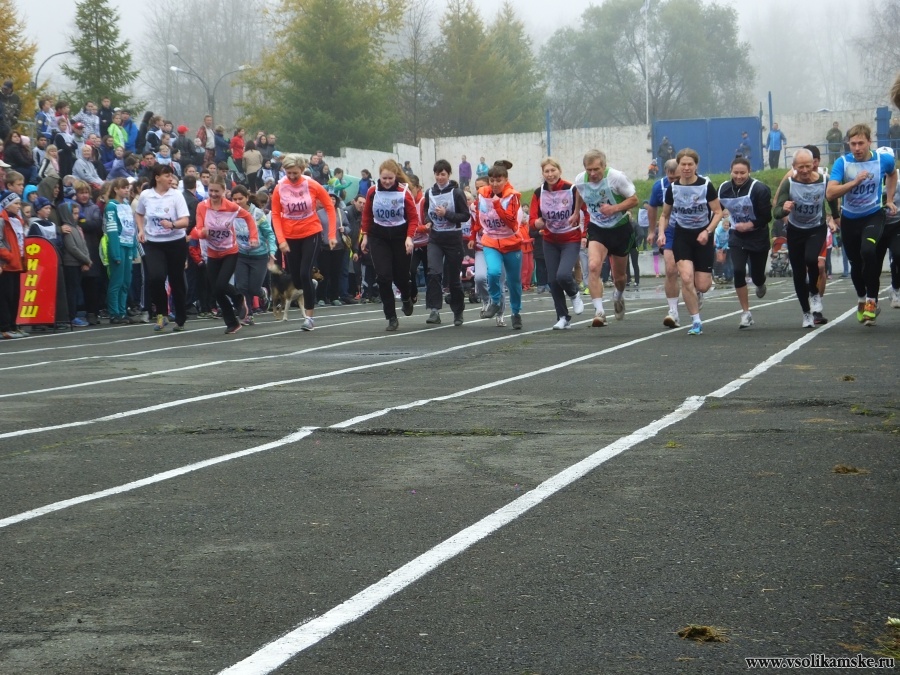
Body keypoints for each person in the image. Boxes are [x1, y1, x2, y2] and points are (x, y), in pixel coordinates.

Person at [826, 123, 897, 326]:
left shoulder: (883, 160)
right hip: (850, 219)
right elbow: (830, 193)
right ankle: (862, 298)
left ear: (869, 142)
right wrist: (854, 182)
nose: (856, 148)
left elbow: (893, 174)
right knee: (856, 264)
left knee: (868, 250)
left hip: (873, 215)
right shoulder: (842, 163)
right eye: (853, 144)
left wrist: (889, 199)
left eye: (861, 143)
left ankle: (872, 302)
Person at [659, 148, 724, 335]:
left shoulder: (705, 186)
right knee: (686, 278)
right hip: (682, 236)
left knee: (702, 284)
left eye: (690, 164)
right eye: (683, 164)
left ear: (696, 166)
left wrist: (708, 231)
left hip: (703, 236)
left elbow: (718, 212)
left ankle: (699, 292)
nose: (686, 168)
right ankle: (696, 321)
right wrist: (661, 233)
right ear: (678, 166)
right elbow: (664, 215)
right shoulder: (673, 188)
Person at [774, 148, 841, 328]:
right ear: (794, 167)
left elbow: (832, 200)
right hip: (795, 230)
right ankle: (806, 313)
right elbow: (776, 211)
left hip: (816, 228)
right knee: (798, 273)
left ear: (814, 164)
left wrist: (836, 217)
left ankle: (814, 293)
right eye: (800, 167)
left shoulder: (824, 180)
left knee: (812, 259)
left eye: (808, 166)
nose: (804, 170)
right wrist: (784, 209)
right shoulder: (789, 183)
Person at [270, 153, 337, 331]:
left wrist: (331, 235)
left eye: (295, 173)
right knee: (297, 279)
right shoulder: (279, 188)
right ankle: (309, 285)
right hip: (290, 236)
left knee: (305, 272)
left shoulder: (312, 185)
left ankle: (309, 318)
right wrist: (281, 240)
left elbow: (329, 207)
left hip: (311, 233)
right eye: (288, 173)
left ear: (302, 170)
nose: (292, 177)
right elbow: (275, 214)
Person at [572, 149, 638, 328]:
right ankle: (599, 312)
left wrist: (614, 208)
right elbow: (579, 192)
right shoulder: (580, 179)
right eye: (589, 170)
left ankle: (618, 295)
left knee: (619, 277)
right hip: (598, 228)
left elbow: (634, 200)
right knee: (593, 266)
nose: (593, 174)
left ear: (604, 166)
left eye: (596, 169)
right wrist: (576, 212)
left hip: (620, 229)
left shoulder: (616, 178)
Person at [193, 176, 259, 334]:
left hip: (230, 251)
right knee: (216, 290)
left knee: (221, 285)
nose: (213, 194)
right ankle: (232, 323)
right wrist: (202, 233)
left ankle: (238, 298)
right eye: (211, 191)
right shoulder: (202, 206)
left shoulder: (231, 207)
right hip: (212, 252)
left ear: (224, 191)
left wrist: (253, 237)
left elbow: (249, 218)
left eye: (217, 191)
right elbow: (199, 228)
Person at [361, 158, 419, 331]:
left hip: (400, 237)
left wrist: (409, 238)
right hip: (379, 237)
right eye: (384, 178)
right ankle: (391, 316)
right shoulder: (372, 191)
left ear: (395, 177)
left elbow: (413, 218)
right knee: (383, 277)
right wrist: (365, 236)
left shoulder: (403, 192)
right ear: (379, 176)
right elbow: (367, 215)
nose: (386, 182)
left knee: (401, 277)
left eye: (390, 178)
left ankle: (407, 297)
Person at [529, 157, 586, 330]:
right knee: (553, 281)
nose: (550, 174)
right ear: (543, 174)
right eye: (546, 171)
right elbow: (532, 220)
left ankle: (574, 293)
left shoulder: (572, 189)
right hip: (550, 240)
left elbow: (586, 212)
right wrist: (536, 223)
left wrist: (585, 234)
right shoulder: (539, 193)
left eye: (553, 170)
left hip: (570, 239)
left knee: (563, 275)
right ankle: (563, 317)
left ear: (559, 171)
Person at [134, 164, 191, 331]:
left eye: (171, 176)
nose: (170, 179)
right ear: (157, 177)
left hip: (175, 242)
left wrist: (172, 224)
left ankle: (180, 318)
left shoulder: (176, 195)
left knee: (176, 280)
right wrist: (141, 230)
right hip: (153, 243)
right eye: (167, 176)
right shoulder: (146, 195)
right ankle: (161, 314)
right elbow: (139, 213)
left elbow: (185, 221)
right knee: (156, 277)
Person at [468, 160, 525, 330]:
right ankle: (495, 301)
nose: (494, 184)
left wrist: (498, 206)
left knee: (514, 282)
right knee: (492, 272)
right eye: (492, 180)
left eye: (498, 180)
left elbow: (512, 223)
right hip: (491, 241)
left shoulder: (512, 197)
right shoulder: (482, 195)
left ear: (505, 180)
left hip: (511, 242)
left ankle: (516, 312)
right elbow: (478, 216)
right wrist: (475, 232)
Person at [717, 157, 772, 329]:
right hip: (737, 236)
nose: (739, 176)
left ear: (749, 172)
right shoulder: (724, 188)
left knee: (756, 275)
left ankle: (760, 282)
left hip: (757, 236)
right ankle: (745, 312)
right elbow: (716, 209)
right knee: (739, 270)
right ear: (730, 171)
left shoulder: (759, 189)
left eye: (742, 173)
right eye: (736, 173)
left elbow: (766, 217)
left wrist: (749, 225)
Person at [421, 159, 470, 326]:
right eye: (437, 174)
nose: (440, 177)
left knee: (454, 279)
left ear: (449, 174)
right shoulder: (429, 192)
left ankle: (458, 311)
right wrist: (428, 221)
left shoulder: (456, 193)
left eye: (443, 174)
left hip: (453, 239)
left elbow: (465, 216)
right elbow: (426, 211)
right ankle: (434, 310)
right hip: (435, 238)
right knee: (433, 273)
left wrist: (447, 214)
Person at [649, 159, 681, 327]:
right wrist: (652, 231)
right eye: (671, 178)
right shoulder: (659, 187)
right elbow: (653, 208)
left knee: (697, 278)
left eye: (677, 178)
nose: (673, 182)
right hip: (670, 230)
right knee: (670, 269)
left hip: (692, 230)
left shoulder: (697, 184)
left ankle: (697, 290)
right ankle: (673, 311)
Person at [104, 178, 137, 324]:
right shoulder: (111, 206)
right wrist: (115, 253)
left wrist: (134, 248)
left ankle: (122, 312)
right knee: (116, 281)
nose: (126, 190)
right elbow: (112, 231)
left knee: (126, 282)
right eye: (123, 188)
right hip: (118, 246)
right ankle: (114, 313)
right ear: (116, 189)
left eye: (127, 188)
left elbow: (132, 228)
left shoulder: (127, 205)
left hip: (128, 245)